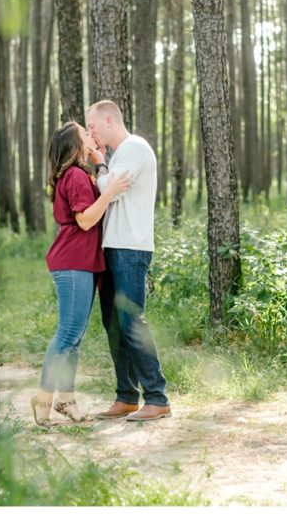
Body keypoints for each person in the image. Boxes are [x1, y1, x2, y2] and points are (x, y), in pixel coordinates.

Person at [32, 121, 131, 425]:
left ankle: (67, 401)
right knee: (68, 334)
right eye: (85, 134)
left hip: (82, 263)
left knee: (75, 338)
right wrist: (110, 190)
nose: (91, 136)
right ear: (76, 145)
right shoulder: (74, 175)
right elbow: (86, 220)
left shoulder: (80, 174)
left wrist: (102, 166)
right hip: (72, 262)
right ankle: (44, 398)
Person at [85, 100, 171, 421]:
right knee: (113, 324)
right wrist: (104, 166)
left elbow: (113, 191)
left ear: (109, 119)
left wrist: (101, 166)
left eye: (93, 125)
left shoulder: (135, 147)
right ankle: (126, 395)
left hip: (131, 248)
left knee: (132, 321)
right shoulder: (118, 155)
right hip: (112, 246)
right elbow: (108, 186)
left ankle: (157, 397)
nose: (91, 132)